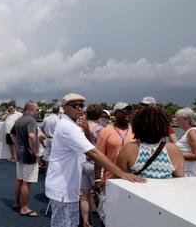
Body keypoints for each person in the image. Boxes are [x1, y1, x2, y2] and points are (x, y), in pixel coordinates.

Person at [45, 93, 145, 227]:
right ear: (65, 107)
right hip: (63, 189)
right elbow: (93, 152)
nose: (79, 109)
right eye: (75, 106)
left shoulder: (71, 125)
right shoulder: (67, 127)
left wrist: (86, 129)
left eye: (81, 106)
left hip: (68, 187)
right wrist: (122, 174)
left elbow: (90, 145)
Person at [117, 105, 184, 178]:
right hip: (165, 189)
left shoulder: (129, 149)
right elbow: (180, 180)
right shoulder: (174, 149)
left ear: (137, 126)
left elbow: (118, 179)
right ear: (164, 126)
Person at [10, 100, 40, 217]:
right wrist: (33, 151)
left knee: (19, 179)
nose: (38, 112)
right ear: (30, 110)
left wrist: (17, 145)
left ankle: (17, 203)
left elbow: (12, 133)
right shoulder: (31, 121)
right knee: (27, 182)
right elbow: (32, 136)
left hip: (20, 152)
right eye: (37, 110)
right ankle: (25, 207)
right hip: (28, 154)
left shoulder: (19, 120)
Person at [94, 102, 135, 186]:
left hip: (132, 179)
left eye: (129, 112)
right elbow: (98, 157)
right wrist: (98, 179)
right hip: (111, 179)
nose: (127, 113)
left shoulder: (135, 131)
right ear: (115, 113)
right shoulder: (105, 131)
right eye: (124, 111)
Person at [80, 104, 104, 227]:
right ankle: (103, 221)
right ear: (100, 115)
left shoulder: (80, 127)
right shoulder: (100, 129)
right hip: (95, 165)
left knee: (84, 195)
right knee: (102, 195)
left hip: (82, 163)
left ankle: (85, 221)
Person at [175, 107, 196, 176]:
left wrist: (175, 155)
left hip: (192, 173)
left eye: (178, 118)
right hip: (188, 171)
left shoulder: (192, 132)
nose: (176, 120)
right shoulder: (189, 132)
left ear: (187, 120)